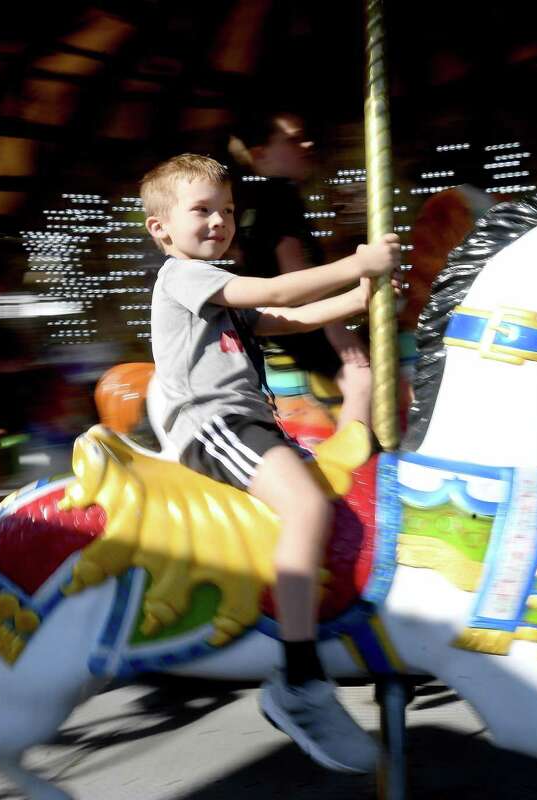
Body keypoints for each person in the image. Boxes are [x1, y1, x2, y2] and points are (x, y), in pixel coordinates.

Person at [143, 153, 399, 773]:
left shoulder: (219, 294)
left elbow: (293, 315)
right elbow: (279, 289)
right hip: (215, 427)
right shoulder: (183, 277)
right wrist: (355, 263)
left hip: (251, 422)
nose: (218, 222)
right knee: (308, 503)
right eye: (201, 210)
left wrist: (361, 293)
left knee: (346, 483)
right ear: (161, 229)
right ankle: (299, 675)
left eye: (227, 211)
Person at [229, 112, 373, 430]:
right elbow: (294, 268)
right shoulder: (281, 196)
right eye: (292, 140)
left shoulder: (252, 201)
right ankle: (354, 468)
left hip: (271, 322)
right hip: (297, 322)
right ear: (260, 153)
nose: (306, 144)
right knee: (363, 378)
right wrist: (336, 329)